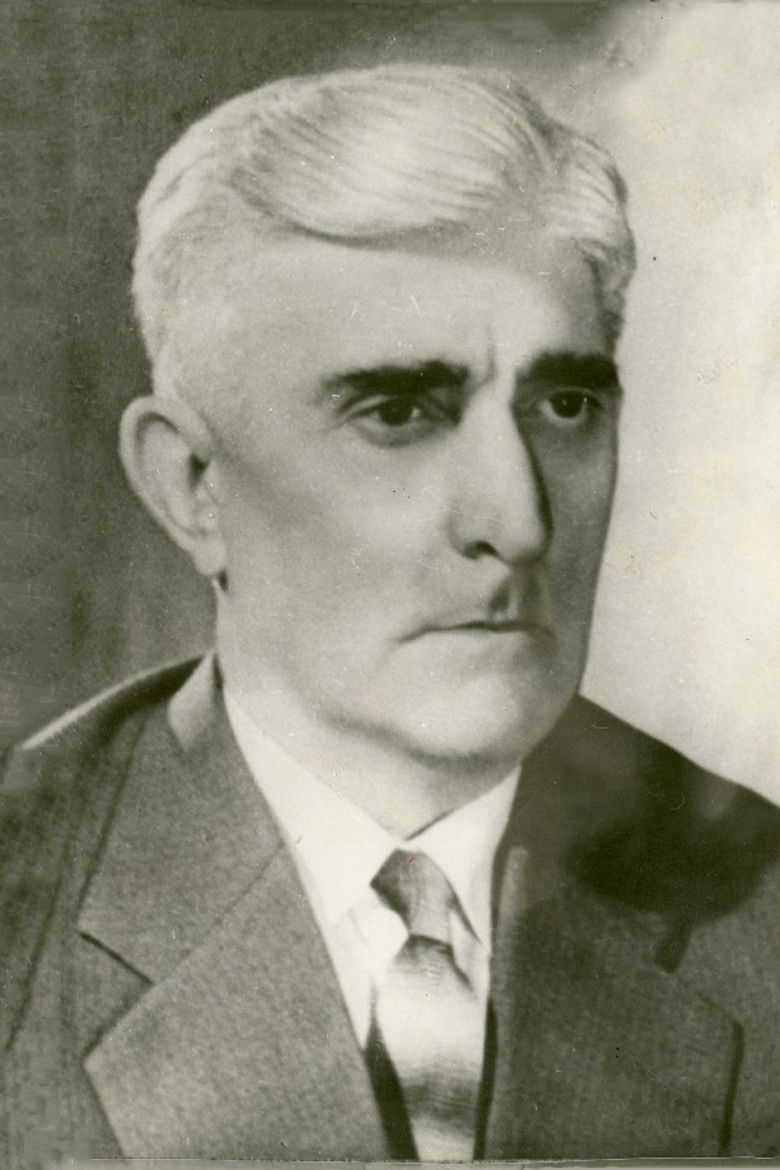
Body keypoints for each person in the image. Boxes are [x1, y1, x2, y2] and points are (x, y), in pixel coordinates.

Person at [1, 64, 778, 1168]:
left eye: (565, 405)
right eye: (401, 412)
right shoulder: (22, 909)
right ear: (194, 487)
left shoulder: (756, 907)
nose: (518, 522)